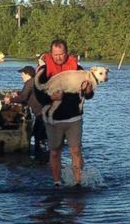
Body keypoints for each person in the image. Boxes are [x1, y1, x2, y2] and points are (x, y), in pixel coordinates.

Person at [33, 39, 94, 186]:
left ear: (67, 53)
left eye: (61, 54)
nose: (58, 57)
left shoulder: (79, 69)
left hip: (74, 118)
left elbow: (89, 96)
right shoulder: (44, 72)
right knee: (55, 152)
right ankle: (57, 182)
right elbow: (38, 94)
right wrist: (50, 97)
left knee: (76, 150)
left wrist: (88, 89)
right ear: (50, 54)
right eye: (55, 54)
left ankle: (78, 182)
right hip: (53, 120)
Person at [4, 65, 47, 153]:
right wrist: (18, 93)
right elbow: (26, 94)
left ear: (27, 74)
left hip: (40, 113)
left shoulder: (29, 83)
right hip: (42, 112)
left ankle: (41, 155)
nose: (21, 76)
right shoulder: (33, 82)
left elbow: (23, 97)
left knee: (39, 135)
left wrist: (10, 100)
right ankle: (40, 155)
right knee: (37, 133)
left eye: (22, 74)